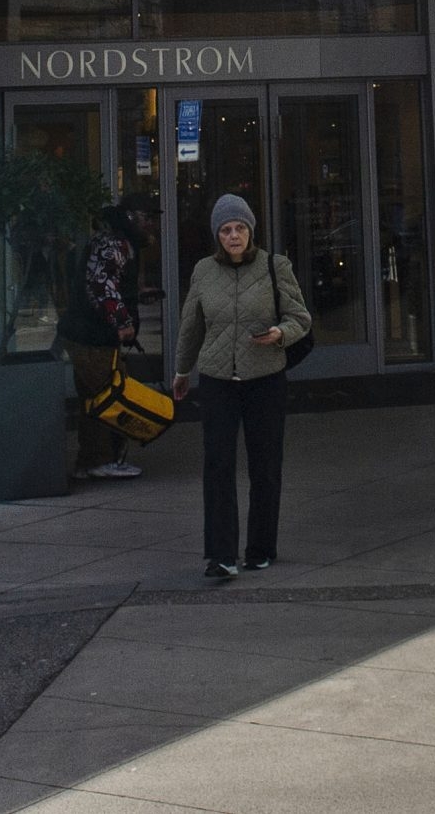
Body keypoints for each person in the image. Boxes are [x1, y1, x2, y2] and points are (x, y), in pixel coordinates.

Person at [172, 195, 310, 581]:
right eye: (226, 230)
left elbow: (301, 317)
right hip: (217, 381)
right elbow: (191, 326)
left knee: (264, 466)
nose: (234, 236)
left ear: (251, 232)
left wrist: (281, 333)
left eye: (240, 229)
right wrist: (182, 371)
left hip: (264, 379)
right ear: (217, 235)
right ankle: (221, 555)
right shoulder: (203, 271)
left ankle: (261, 548)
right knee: (217, 465)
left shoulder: (274, 266)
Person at [60, 199, 157, 481]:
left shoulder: (114, 241)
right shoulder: (115, 244)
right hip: (93, 337)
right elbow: (101, 285)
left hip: (86, 334)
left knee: (93, 398)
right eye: (146, 216)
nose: (151, 223)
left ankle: (89, 461)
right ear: (130, 217)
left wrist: (134, 297)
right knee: (107, 397)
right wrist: (124, 322)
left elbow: (104, 283)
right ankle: (102, 459)